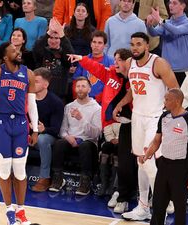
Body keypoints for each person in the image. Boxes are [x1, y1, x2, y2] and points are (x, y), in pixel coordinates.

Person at [113, 32, 179, 221]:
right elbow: (133, 90)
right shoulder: (131, 64)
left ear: (147, 46)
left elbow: (175, 90)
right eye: (132, 44)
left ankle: (163, 202)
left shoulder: (158, 63)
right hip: (138, 117)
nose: (135, 47)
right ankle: (143, 206)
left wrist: (171, 114)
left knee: (148, 160)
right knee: (141, 162)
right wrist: (121, 104)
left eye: (139, 44)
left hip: (156, 117)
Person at [0, 18, 38, 225]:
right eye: (13, 50)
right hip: (2, 121)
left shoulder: (28, 74)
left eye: (18, 49)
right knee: (4, 168)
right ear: (5, 55)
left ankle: (21, 210)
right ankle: (9, 210)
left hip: (21, 123)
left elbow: (32, 103)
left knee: (20, 170)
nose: (18, 52)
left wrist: (35, 128)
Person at [68, 48, 136, 213]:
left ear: (127, 62)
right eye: (114, 60)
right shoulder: (111, 73)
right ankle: (115, 191)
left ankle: (127, 193)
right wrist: (81, 58)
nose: (114, 64)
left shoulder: (136, 77)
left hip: (133, 123)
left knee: (129, 161)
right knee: (111, 153)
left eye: (118, 60)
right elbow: (96, 68)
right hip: (111, 123)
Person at [144, 88, 188, 225]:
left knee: (179, 207)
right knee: (158, 204)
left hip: (181, 168)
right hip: (164, 165)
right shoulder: (164, 117)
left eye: (167, 99)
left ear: (176, 101)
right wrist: (147, 155)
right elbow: (157, 141)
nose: (164, 102)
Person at [49, 77, 102, 195]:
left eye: (83, 86)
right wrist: (68, 137)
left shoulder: (97, 108)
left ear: (89, 89)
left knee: (85, 146)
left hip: (88, 141)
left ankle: (85, 181)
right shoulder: (68, 106)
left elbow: (95, 134)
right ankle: (58, 178)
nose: (80, 89)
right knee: (59, 143)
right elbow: (62, 130)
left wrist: (81, 118)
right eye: (78, 86)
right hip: (71, 139)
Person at [146, 0, 188, 85]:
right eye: (170, 2)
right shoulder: (167, 22)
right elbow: (154, 33)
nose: (170, 5)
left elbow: (176, 30)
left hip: (183, 70)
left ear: (182, 6)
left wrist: (160, 20)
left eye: (174, 3)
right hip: (166, 69)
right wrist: (149, 25)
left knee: (183, 98)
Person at [30, 67, 64, 192]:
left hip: (48, 136)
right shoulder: (27, 99)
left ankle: (44, 178)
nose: (32, 84)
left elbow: (55, 130)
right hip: (29, 134)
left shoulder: (56, 102)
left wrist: (43, 129)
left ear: (46, 84)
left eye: (36, 81)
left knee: (42, 139)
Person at [33, 18, 74, 99]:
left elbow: (70, 55)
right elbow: (36, 49)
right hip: (41, 94)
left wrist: (62, 35)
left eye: (57, 38)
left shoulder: (64, 52)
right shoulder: (42, 51)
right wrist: (49, 32)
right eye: (51, 37)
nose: (53, 41)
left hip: (59, 95)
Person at [72, 30, 114, 104]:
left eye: (100, 43)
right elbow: (76, 81)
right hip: (83, 100)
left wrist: (100, 98)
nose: (96, 45)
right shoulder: (83, 60)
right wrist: (78, 98)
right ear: (90, 44)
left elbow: (112, 84)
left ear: (105, 45)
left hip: (103, 102)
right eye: (94, 42)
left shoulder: (111, 62)